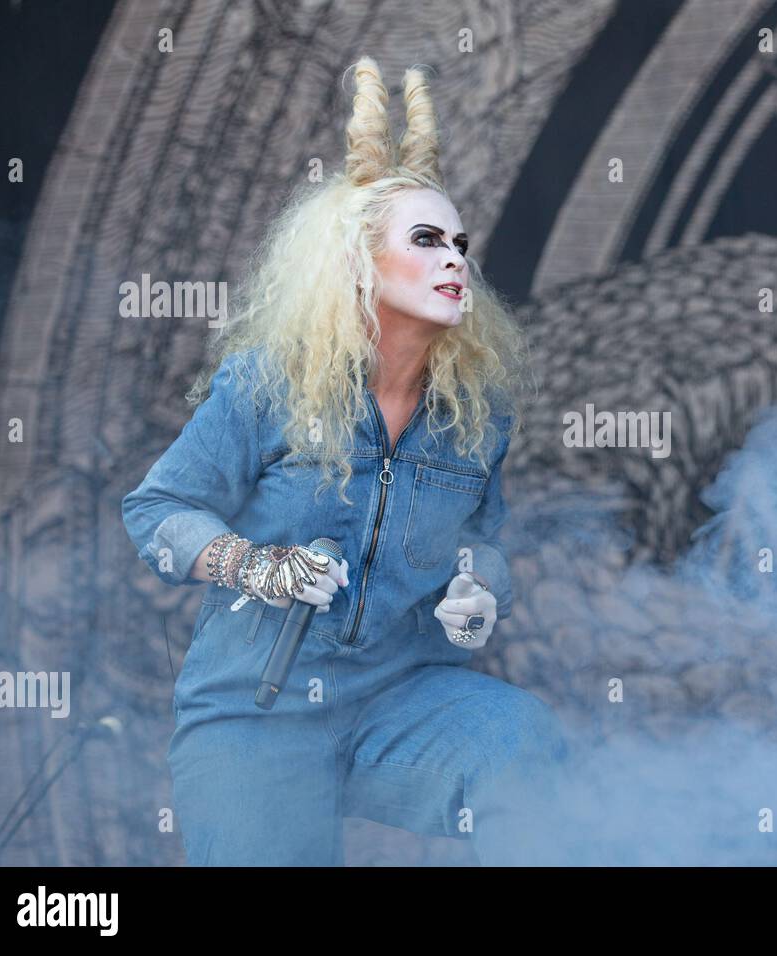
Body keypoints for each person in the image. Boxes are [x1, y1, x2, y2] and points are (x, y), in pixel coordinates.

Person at [122, 57, 566, 865]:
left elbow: (481, 543)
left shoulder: (476, 415)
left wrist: (481, 587)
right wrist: (256, 567)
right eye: (426, 240)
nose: (455, 259)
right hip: (255, 714)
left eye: (461, 244)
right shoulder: (267, 384)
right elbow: (154, 514)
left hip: (400, 701)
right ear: (357, 263)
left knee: (522, 743)